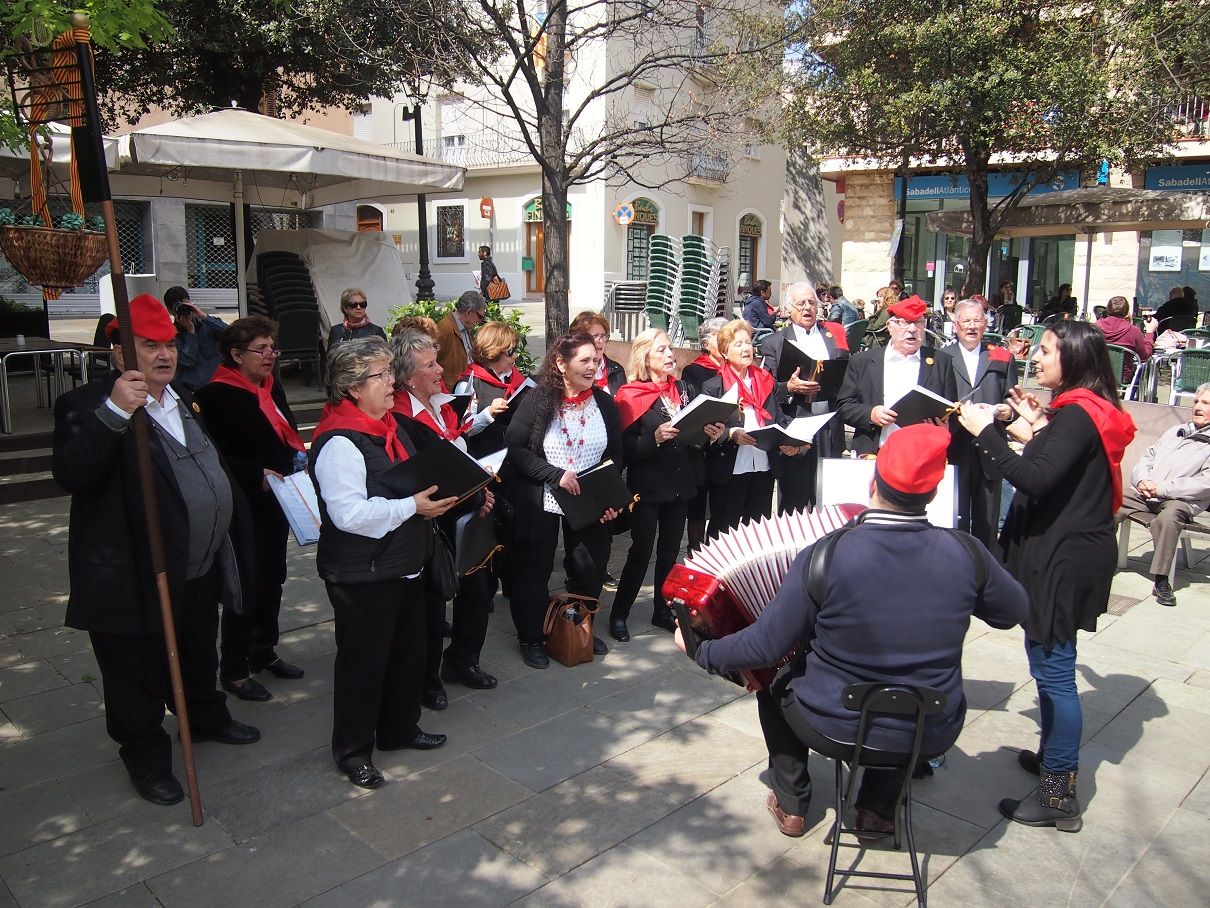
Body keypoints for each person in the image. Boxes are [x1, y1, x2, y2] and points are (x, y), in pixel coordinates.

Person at [678, 424, 1028, 837]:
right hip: (930, 728)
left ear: (872, 483)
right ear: (933, 494)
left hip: (834, 724)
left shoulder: (827, 554)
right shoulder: (968, 552)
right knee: (905, 695)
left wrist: (702, 651)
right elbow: (1012, 612)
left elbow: (765, 646)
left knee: (774, 682)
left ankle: (792, 804)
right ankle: (876, 811)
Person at [52, 293, 260, 806]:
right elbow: (73, 474)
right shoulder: (85, 404)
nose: (165, 354)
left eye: (169, 343)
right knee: (136, 669)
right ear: (119, 352)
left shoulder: (185, 396)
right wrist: (115, 412)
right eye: (149, 345)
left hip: (198, 562)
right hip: (136, 573)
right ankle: (145, 756)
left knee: (197, 650)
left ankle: (205, 716)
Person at [957, 320, 1135, 832]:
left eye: (1048, 351)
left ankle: (1059, 793)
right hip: (1067, 552)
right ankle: (1052, 756)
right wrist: (1036, 429)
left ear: (1074, 359)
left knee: (1055, 671)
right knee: (1050, 663)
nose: (1036, 357)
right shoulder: (1081, 411)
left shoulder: (1077, 415)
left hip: (1063, 559)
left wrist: (986, 433)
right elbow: (1061, 471)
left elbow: (1034, 479)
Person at [310, 338, 457, 789]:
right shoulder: (340, 441)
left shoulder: (390, 426)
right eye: (381, 375)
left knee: (407, 655)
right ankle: (353, 750)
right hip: (364, 573)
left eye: (391, 372)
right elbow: (348, 515)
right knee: (364, 665)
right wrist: (413, 507)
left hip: (403, 563)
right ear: (353, 387)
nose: (392, 381)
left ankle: (399, 728)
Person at [195, 316, 306, 702]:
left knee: (273, 576)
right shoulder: (215, 395)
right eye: (261, 349)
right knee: (246, 582)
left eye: (273, 347)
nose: (270, 355)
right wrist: (254, 472)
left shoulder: (269, 385)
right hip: (243, 502)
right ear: (236, 354)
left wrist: (295, 460)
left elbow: (284, 430)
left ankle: (264, 649)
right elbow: (215, 455)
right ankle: (235, 668)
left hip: (278, 495)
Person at [391, 329, 499, 703]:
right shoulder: (401, 418)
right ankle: (428, 680)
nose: (441, 370)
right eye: (430, 366)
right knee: (433, 604)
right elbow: (424, 477)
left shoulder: (444, 404)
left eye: (437, 362)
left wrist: (481, 489)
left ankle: (463, 661)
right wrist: (475, 493)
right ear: (408, 378)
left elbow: (462, 456)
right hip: (433, 523)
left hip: (469, 513)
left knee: (478, 591)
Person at [504, 334, 622, 669]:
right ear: (561, 363)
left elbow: (616, 455)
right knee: (534, 570)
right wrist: (554, 474)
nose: (593, 366)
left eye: (595, 360)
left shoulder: (604, 403)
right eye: (584, 360)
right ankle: (531, 637)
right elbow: (515, 448)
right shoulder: (538, 400)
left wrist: (610, 499)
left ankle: (578, 629)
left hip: (589, 501)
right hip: (541, 498)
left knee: (589, 569)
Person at [611, 329, 724, 641]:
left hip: (680, 483)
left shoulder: (684, 389)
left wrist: (709, 435)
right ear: (645, 357)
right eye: (661, 350)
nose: (670, 355)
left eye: (670, 349)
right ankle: (619, 613)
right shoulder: (630, 395)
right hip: (647, 487)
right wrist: (655, 438)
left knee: (669, 552)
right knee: (641, 551)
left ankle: (662, 610)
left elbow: (693, 438)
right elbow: (626, 450)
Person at [1117, 384, 1210, 607]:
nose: (1197, 407)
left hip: (1180, 500)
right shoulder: (1176, 431)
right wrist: (1142, 480)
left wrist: (1161, 488)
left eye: (1205, 403)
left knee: (1168, 519)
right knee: (1112, 500)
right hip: (1149, 493)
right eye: (1196, 402)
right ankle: (1096, 555)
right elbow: (1147, 458)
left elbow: (1203, 484)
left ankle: (1162, 579)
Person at [760, 283, 850, 512]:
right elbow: (766, 389)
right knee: (794, 500)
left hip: (829, 425)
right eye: (801, 303)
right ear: (789, 309)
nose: (807, 308)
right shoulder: (774, 343)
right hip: (795, 425)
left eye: (812, 302)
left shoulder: (832, 337)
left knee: (828, 499)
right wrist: (788, 388)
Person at [938, 300, 1018, 546]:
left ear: (985, 324)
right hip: (954, 445)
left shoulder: (1002, 356)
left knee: (988, 520)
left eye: (977, 320)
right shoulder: (941, 357)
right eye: (966, 321)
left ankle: (986, 565)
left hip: (990, 447)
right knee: (954, 517)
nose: (972, 326)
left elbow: (1012, 401)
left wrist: (1007, 412)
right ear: (955, 324)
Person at [835, 296, 955, 455]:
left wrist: (944, 428)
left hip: (922, 453)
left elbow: (952, 410)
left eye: (918, 323)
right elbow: (843, 406)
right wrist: (871, 414)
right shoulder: (862, 361)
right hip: (875, 451)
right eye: (904, 322)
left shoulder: (941, 362)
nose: (912, 329)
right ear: (889, 326)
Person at [702, 319, 788, 536]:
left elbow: (778, 419)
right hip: (730, 467)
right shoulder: (714, 386)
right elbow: (705, 429)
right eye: (738, 344)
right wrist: (731, 434)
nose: (746, 348)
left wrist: (789, 441)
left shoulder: (766, 380)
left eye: (748, 342)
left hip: (763, 465)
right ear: (724, 351)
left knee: (757, 532)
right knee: (723, 531)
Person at [682, 317, 727, 552]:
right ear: (707, 343)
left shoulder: (734, 368)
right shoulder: (695, 370)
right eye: (722, 337)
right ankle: (696, 550)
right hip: (702, 446)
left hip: (726, 445)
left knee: (722, 504)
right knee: (698, 504)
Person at [453, 320, 527, 458]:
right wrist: (489, 413)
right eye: (510, 352)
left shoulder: (515, 377)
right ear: (494, 351)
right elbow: (463, 430)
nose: (515, 356)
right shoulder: (469, 384)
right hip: (485, 458)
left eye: (515, 350)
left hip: (515, 455)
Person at [165, 286, 226, 394]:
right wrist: (190, 332)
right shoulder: (171, 335)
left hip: (217, 386)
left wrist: (204, 316)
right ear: (170, 310)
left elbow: (231, 334)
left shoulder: (209, 325)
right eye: (179, 307)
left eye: (186, 305)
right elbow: (188, 361)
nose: (184, 310)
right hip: (191, 391)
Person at [1096, 296, 1157, 383]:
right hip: (1123, 378)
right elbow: (1144, 356)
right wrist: (1150, 333)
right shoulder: (1133, 331)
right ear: (1127, 312)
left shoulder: (1094, 328)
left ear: (1107, 309)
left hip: (1097, 376)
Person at [435, 291, 488, 389]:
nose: (479, 321)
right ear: (468, 312)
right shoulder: (444, 329)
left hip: (464, 385)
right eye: (480, 316)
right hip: (451, 390)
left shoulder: (463, 327)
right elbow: (430, 362)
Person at [569, 310, 626, 395]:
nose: (600, 341)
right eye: (595, 336)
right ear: (579, 339)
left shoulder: (617, 370)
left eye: (603, 336)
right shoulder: (571, 370)